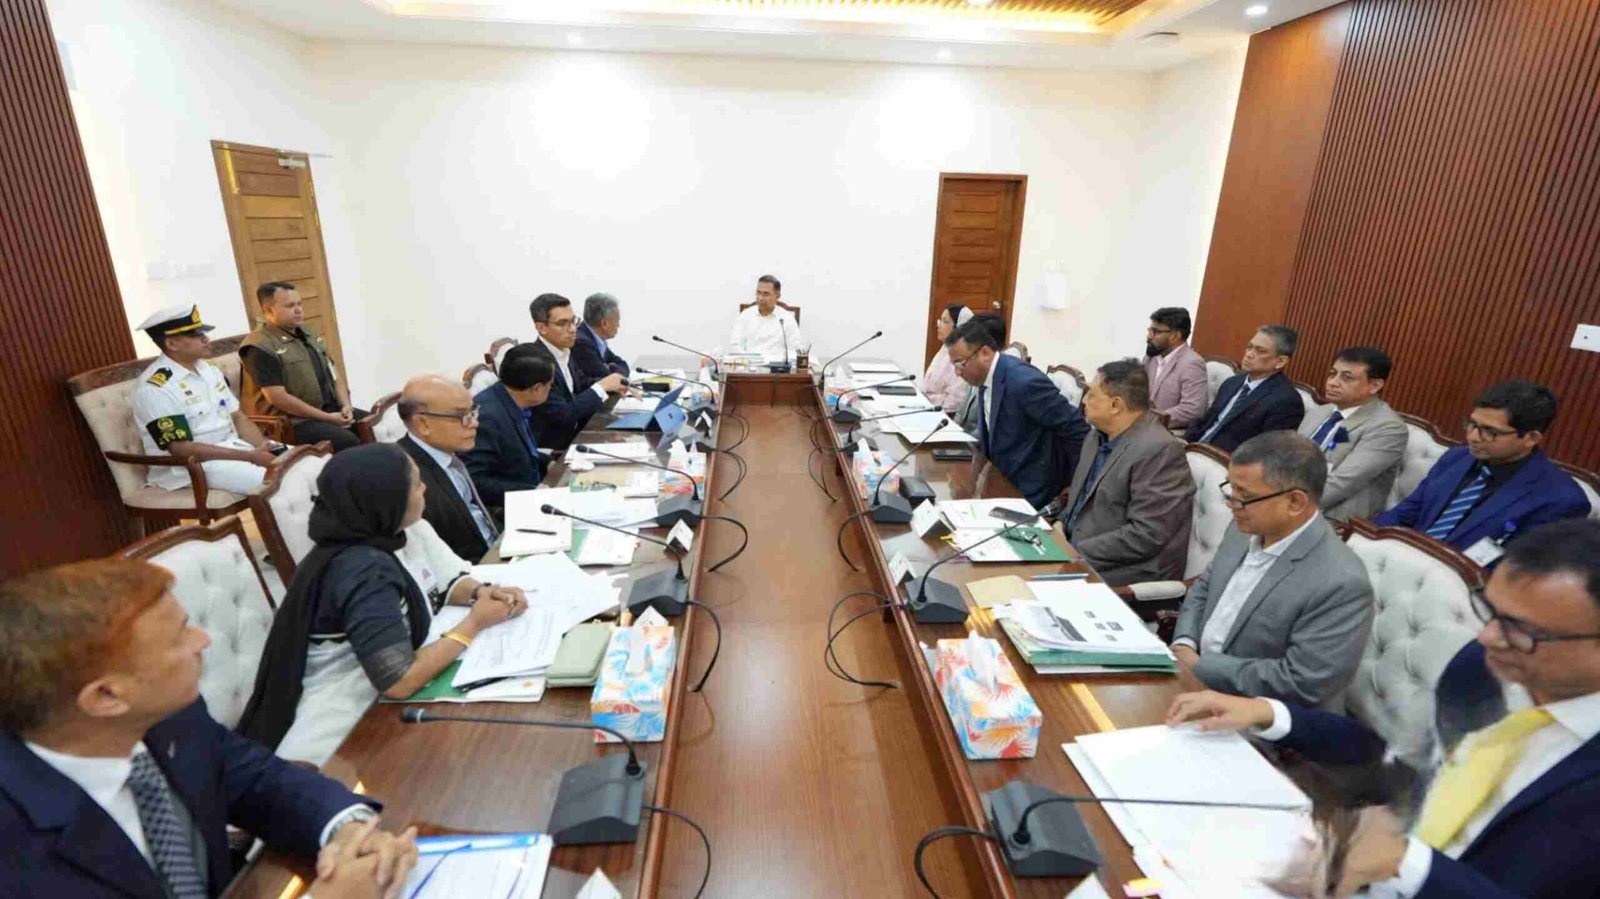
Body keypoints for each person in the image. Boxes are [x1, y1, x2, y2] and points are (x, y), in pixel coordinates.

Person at [1166, 519, 1600, 899]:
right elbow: (1400, 763)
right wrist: (1269, 712)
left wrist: (1409, 864)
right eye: (1490, 611)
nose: (1488, 637)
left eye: (1521, 630)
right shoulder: (1481, 669)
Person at [0, 558, 418, 898]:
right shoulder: (17, 856)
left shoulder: (173, 718)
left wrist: (347, 829)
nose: (202, 640)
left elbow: (258, 780)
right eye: (178, 637)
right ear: (106, 696)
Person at [238, 444, 528, 765]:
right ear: (387, 498)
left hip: (375, 701)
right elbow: (398, 680)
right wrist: (474, 623)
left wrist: (480, 593)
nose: (425, 488)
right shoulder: (363, 570)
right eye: (415, 484)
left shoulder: (392, 531)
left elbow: (441, 583)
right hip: (343, 729)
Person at [1170, 431, 1374, 708]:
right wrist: (1184, 642)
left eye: (1245, 495)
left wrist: (1200, 666)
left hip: (1254, 713)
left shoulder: (1341, 582)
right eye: (1231, 489)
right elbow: (1204, 587)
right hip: (1188, 676)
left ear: (1295, 502)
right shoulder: (1245, 525)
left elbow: (1302, 681)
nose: (1232, 504)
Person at [1375, 381, 1589, 561]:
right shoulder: (1456, 458)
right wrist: (1365, 542)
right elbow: (1405, 513)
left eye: (1490, 431)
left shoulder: (1560, 500)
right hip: (1402, 562)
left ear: (1531, 438)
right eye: (1472, 424)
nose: (1473, 437)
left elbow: (1515, 571)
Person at [1062, 360, 1195, 586]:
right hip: (1076, 549)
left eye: (1092, 395)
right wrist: (1060, 525)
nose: (1084, 401)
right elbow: (1081, 500)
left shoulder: (1159, 450)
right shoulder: (1096, 435)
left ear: (1116, 405)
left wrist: (1073, 550)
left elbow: (1147, 534)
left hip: (1124, 571)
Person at [130, 305, 283, 496]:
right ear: (172, 344)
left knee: (309, 464)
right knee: (282, 481)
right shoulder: (155, 388)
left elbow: (237, 417)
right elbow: (181, 449)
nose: (206, 338)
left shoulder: (209, 370)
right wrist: (250, 456)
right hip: (192, 466)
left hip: (234, 450)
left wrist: (262, 446)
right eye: (196, 335)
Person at [948, 318, 1089, 510]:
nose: (957, 373)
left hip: (1029, 490)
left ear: (985, 353)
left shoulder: (1023, 382)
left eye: (961, 364)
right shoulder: (984, 377)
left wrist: (1074, 487)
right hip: (998, 478)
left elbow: (1076, 429)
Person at [240, 281, 366, 451]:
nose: (298, 310)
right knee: (348, 441)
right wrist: (328, 418)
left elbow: (334, 373)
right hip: (293, 421)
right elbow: (277, 397)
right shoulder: (259, 346)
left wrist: (346, 406)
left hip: (327, 409)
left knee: (370, 424)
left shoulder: (308, 333)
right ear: (269, 311)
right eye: (290, 306)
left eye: (299, 304)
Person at [1296, 346, 1408, 522]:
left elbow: (1341, 484)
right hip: (1288, 501)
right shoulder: (1319, 412)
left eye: (1346, 377)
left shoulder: (1388, 428)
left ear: (1375, 386)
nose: (1332, 382)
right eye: (1333, 374)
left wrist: (1282, 503)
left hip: (1333, 519)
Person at [395, 375, 499, 561]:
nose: (474, 423)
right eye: (462, 416)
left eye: (473, 412)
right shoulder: (407, 479)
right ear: (423, 424)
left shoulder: (447, 453)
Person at [524, 295, 628, 451]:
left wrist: (614, 384)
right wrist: (602, 386)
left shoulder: (563, 351)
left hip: (577, 437)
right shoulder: (537, 363)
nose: (573, 329)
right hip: (556, 450)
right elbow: (563, 415)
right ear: (541, 328)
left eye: (573, 321)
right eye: (563, 324)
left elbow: (582, 383)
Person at [1184, 325, 1306, 452]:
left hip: (1226, 460)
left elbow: (1268, 452)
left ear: (1280, 361)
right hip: (1195, 449)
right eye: (1249, 347)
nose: (1249, 354)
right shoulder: (1232, 383)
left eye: (1260, 351)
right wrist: (1185, 443)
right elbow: (1205, 420)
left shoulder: (1286, 401)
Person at [464, 351, 554, 514]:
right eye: (550, 386)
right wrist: (531, 493)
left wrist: (548, 462)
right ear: (537, 388)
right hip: (510, 508)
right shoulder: (487, 417)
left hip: (534, 487)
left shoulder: (508, 399)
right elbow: (476, 481)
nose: (550, 390)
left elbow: (516, 450)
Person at [1142, 307, 1209, 431]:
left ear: (1175, 336)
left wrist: (1150, 419)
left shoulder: (1192, 364)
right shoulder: (1151, 357)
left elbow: (1192, 409)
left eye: (1155, 331)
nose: (1149, 336)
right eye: (1150, 330)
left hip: (1167, 431)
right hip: (1142, 427)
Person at [726, 275, 804, 363]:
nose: (760, 298)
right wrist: (748, 360)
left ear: (778, 295)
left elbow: (796, 350)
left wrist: (775, 361)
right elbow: (735, 346)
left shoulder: (787, 319)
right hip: (749, 366)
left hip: (776, 368)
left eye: (766, 294)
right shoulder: (745, 316)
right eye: (758, 293)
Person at [920, 303, 974, 416]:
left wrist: (926, 406)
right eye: (940, 320)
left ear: (959, 327)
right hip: (927, 408)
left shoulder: (963, 356)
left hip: (943, 415)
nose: (939, 325)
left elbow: (955, 402)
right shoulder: (944, 349)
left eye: (945, 321)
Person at [573, 292, 630, 381]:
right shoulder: (582, 343)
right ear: (604, 323)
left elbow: (622, 364)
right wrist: (611, 368)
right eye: (617, 321)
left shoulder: (596, 339)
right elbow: (607, 377)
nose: (618, 326)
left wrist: (610, 367)